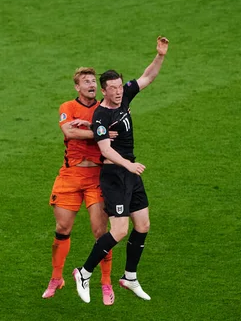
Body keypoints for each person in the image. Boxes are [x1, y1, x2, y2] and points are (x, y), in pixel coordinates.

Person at [72, 36, 170, 304]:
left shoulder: (125, 94)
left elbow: (147, 78)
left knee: (144, 224)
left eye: (119, 87)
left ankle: (129, 276)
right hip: (115, 175)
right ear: (104, 91)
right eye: (112, 88)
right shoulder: (101, 116)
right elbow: (105, 150)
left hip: (130, 172)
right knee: (118, 231)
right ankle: (83, 272)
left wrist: (160, 55)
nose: (118, 92)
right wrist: (128, 165)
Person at [42, 67, 118, 306]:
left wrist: (88, 128)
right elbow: (68, 131)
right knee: (62, 228)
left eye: (93, 81)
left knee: (101, 232)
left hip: (97, 176)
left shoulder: (105, 108)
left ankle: (106, 282)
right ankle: (56, 278)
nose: (91, 85)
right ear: (77, 87)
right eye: (86, 81)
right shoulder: (67, 107)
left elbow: (113, 135)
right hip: (70, 176)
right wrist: (99, 131)